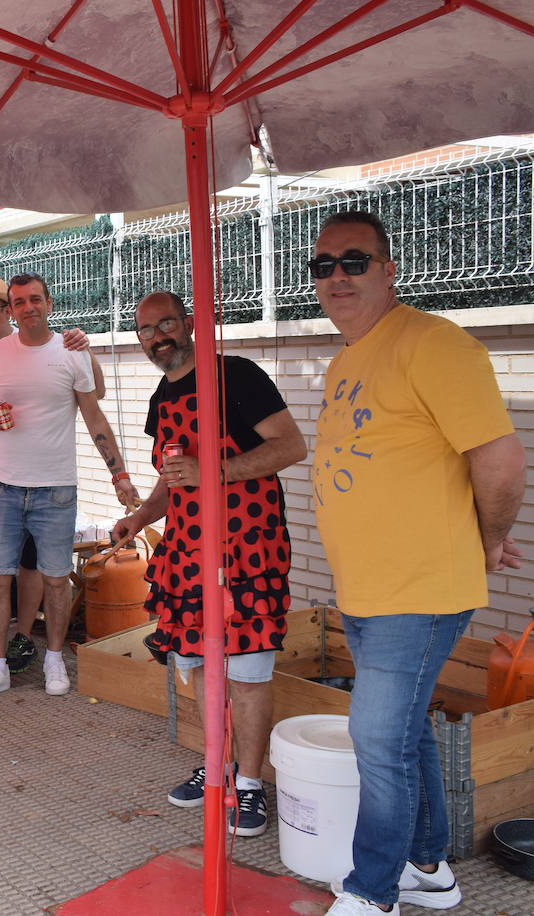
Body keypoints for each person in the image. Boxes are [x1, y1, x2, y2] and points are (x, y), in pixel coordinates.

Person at [311, 213, 525, 916]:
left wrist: (491, 539)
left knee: (376, 738)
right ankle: (428, 867)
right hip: (368, 590)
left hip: (421, 590)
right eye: (322, 266)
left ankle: (372, 892)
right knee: (401, 732)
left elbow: (498, 458)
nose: (336, 277)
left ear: (389, 267)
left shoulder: (434, 344)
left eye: (353, 261)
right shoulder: (347, 357)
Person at [111, 290, 305, 838]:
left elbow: (290, 447)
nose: (157, 337)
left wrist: (211, 471)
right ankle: (216, 766)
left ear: (190, 323)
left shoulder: (237, 376)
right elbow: (172, 482)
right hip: (186, 554)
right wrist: (142, 515)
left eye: (166, 323)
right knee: (196, 667)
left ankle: (248, 785)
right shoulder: (159, 397)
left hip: (246, 551)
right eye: (146, 329)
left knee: (245, 674)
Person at [0, 273, 138, 703]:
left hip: (56, 488)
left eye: (35, 300)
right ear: (12, 309)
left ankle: (54, 659)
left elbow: (94, 416)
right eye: (19, 302)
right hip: (2, 486)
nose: (28, 308)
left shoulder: (71, 351)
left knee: (57, 580)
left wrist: (120, 474)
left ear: (49, 303)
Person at [0, 276, 103, 673]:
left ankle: (23, 637)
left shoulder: (37, 348)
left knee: (34, 564)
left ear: (6, 311)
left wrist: (87, 349)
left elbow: (93, 394)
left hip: (36, 475)